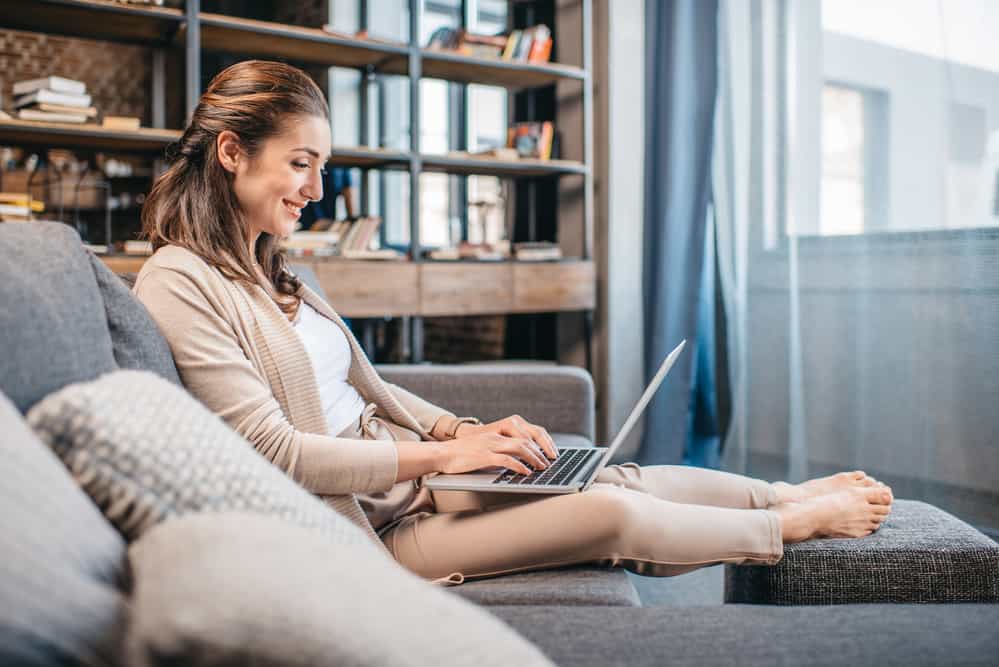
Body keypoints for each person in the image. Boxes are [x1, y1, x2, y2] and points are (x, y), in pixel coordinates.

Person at [134, 60, 893, 583]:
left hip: (407, 481)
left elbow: (374, 392)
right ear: (232, 152)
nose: (316, 188)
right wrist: (443, 461)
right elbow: (278, 453)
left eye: (321, 166)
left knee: (601, 468)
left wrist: (459, 432)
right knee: (608, 510)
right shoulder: (178, 280)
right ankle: (789, 530)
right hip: (367, 528)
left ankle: (778, 493)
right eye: (301, 163)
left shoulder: (279, 270)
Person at [298, 165, 355, 230]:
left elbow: (348, 193)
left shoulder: (342, 167)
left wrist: (351, 223)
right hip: (303, 222)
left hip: (327, 223)